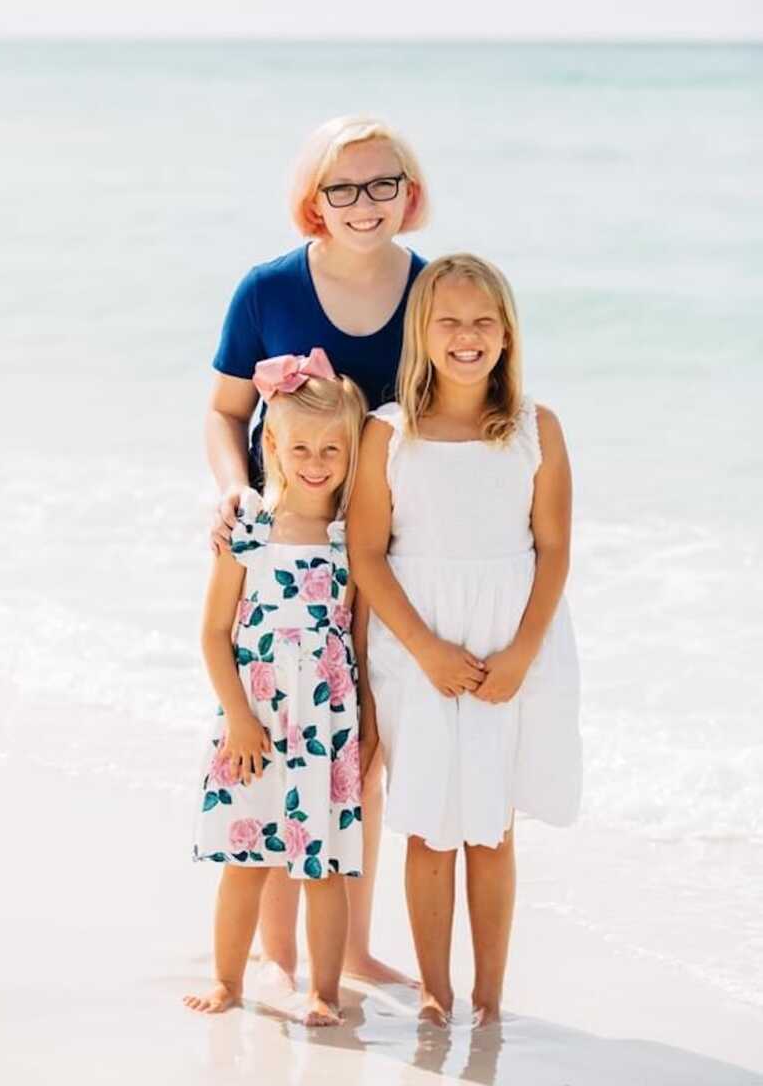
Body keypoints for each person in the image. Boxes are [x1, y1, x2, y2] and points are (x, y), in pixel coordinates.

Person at [204, 114, 430, 987]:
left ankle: (354, 948)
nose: (364, 203)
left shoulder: (428, 288)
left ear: (409, 194)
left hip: (391, 547)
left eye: (383, 184)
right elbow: (226, 413)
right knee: (270, 756)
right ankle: (279, 954)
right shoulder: (266, 289)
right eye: (343, 187)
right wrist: (235, 490)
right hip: (284, 536)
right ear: (314, 199)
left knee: (356, 758)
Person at [347, 255, 582, 1027]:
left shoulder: (534, 430)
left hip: (510, 644)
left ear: (507, 333)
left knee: (491, 826)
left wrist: (519, 653)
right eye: (448, 321)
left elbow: (553, 549)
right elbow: (368, 554)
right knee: (429, 823)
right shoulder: (390, 434)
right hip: (418, 649)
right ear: (423, 332)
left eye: (483, 321)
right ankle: (435, 994)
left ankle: (489, 995)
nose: (466, 336)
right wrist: (423, 649)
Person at [186, 351, 375, 1025]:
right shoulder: (248, 529)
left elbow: (357, 642)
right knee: (247, 857)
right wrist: (239, 721)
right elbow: (214, 634)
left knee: (322, 866)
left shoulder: (353, 540)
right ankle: (229, 982)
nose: (316, 460)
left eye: (332, 448)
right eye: (300, 447)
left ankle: (324, 990)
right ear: (271, 445)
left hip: (326, 727)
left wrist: (369, 733)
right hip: (254, 723)